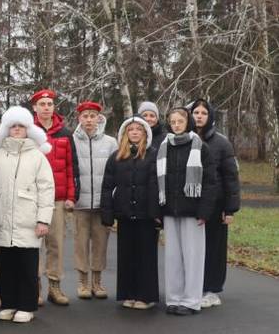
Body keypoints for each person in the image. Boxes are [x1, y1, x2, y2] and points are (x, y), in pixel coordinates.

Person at [0, 106, 54, 324]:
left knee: (27, 265)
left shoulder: (37, 156)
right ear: (6, 129)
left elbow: (46, 188)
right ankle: (9, 303)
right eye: (12, 126)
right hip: (3, 218)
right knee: (6, 265)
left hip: (28, 219)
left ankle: (27, 305)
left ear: (28, 129)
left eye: (21, 126)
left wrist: (43, 219)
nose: (16, 130)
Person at [157, 107, 217, 316]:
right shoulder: (164, 146)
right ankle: (174, 299)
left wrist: (204, 211)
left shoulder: (200, 146)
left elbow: (210, 182)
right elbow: (158, 182)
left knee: (193, 257)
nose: (176, 125)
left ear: (188, 122)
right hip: (170, 211)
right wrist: (159, 209)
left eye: (180, 121)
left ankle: (191, 301)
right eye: (172, 122)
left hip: (193, 211)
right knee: (172, 257)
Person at [101, 116, 160, 310]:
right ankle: (128, 293)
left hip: (147, 215)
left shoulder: (153, 156)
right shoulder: (117, 157)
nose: (134, 132)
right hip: (125, 214)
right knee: (127, 257)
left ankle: (146, 295)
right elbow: (108, 187)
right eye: (131, 129)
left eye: (139, 129)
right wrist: (108, 215)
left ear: (145, 133)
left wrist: (158, 213)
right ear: (125, 134)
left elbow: (159, 186)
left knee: (146, 257)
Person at [189, 99, 240, 309]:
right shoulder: (184, 139)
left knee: (214, 248)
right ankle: (195, 286)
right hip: (191, 205)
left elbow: (231, 178)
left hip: (216, 205)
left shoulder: (221, 143)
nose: (199, 116)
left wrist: (230, 208)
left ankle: (212, 290)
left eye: (203, 113)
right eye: (195, 112)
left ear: (210, 117)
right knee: (195, 248)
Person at [30, 89, 78, 306]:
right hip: (33, 198)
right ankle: (35, 287)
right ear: (35, 107)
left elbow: (71, 167)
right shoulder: (29, 131)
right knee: (34, 244)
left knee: (56, 243)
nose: (46, 107)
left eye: (50, 104)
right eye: (42, 104)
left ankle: (55, 286)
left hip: (58, 198)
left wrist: (71, 196)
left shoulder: (65, 134)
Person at [71, 101, 116, 300]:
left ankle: (97, 281)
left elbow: (116, 172)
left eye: (92, 116)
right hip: (80, 203)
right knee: (80, 244)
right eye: (85, 116)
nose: (89, 120)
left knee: (100, 243)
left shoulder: (110, 142)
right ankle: (82, 282)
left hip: (102, 203)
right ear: (79, 118)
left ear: (99, 118)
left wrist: (113, 199)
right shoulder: (71, 140)